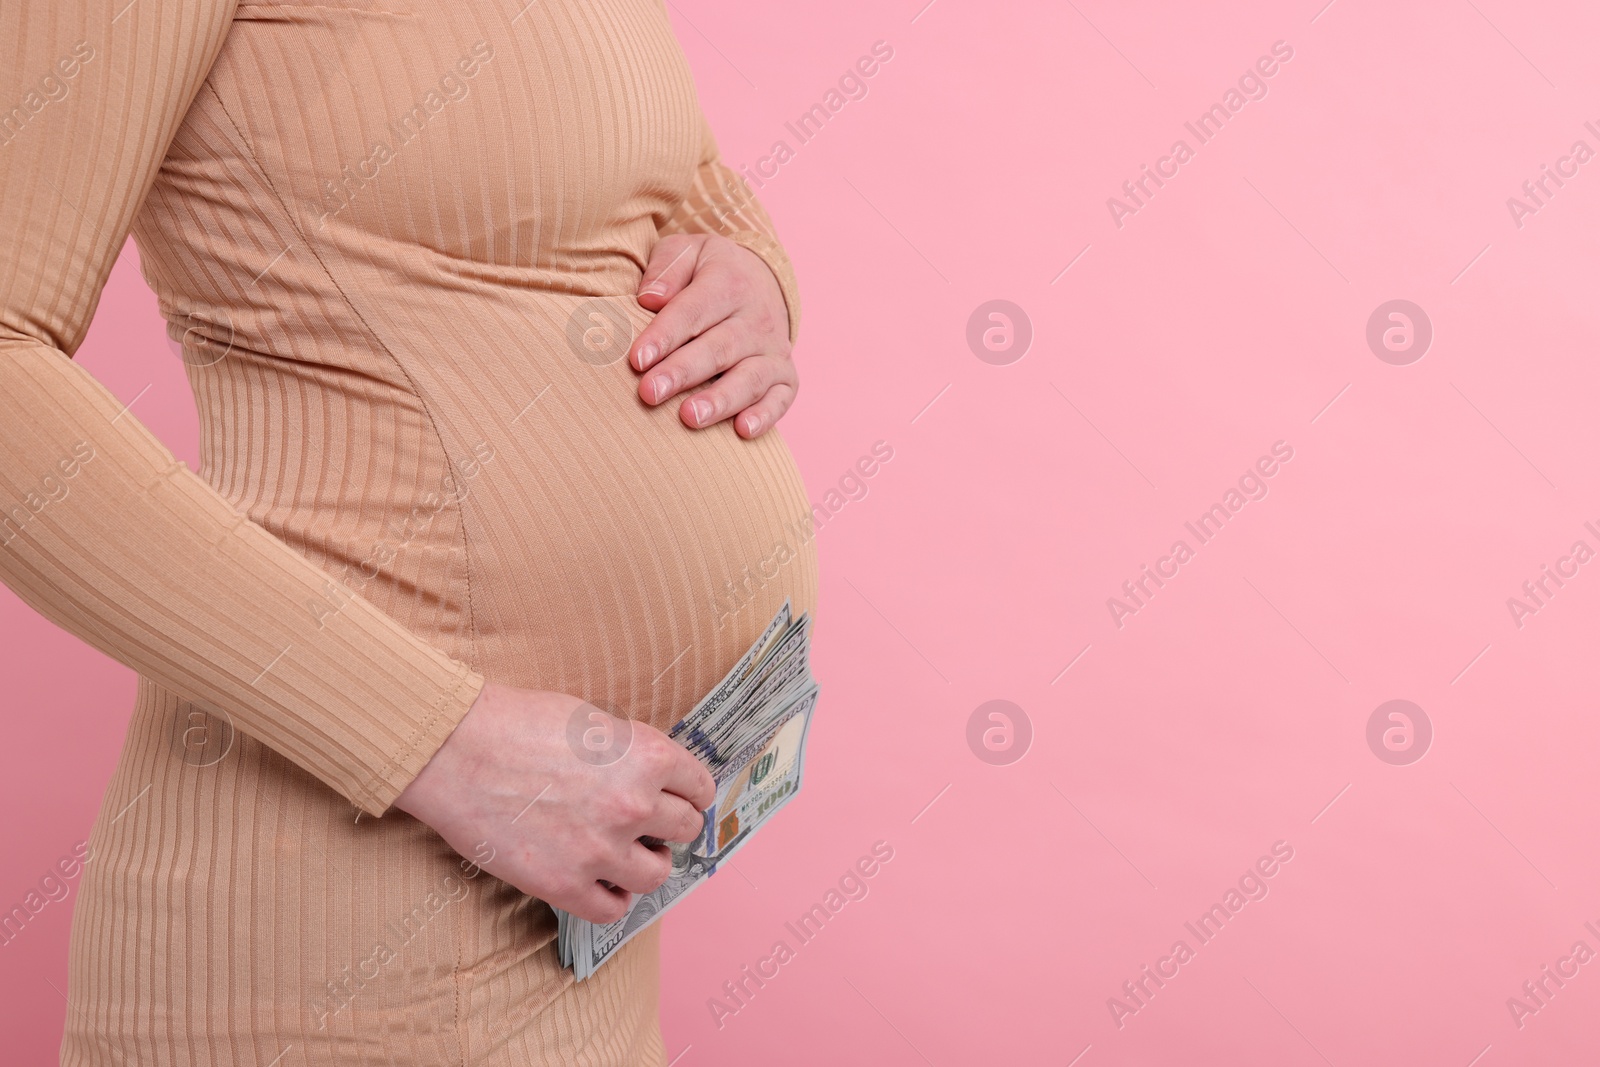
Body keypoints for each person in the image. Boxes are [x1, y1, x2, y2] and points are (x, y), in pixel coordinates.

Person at [0, 0, 818, 1063]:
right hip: (334, 924)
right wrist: (441, 741)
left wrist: (752, 273)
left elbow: (651, 168)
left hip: (576, 923)